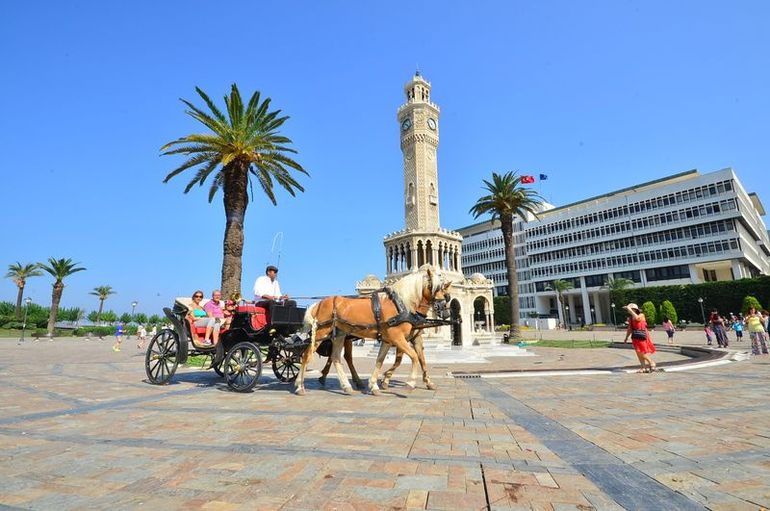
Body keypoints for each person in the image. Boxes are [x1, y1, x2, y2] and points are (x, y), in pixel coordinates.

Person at [622, 303, 661, 373]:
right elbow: (629, 329)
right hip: (635, 336)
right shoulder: (630, 318)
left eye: (628, 309)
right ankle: (643, 367)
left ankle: (652, 362)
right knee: (638, 352)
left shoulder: (641, 315)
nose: (627, 310)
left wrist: (630, 310)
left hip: (642, 335)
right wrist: (626, 337)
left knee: (642, 351)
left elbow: (638, 318)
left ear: (634, 309)